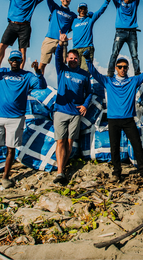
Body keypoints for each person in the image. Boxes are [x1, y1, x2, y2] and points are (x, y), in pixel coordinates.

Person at [0, 49, 46, 188]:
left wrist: (38, 71)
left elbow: (41, 85)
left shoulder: (27, 76)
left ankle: (6, 177)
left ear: (21, 62)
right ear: (9, 61)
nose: (15, 62)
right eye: (13, 59)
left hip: (16, 118)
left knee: (11, 148)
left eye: (18, 60)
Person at [84, 49, 143, 182]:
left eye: (125, 67)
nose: (122, 69)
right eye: (120, 67)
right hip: (113, 120)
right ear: (116, 68)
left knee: (137, 145)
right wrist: (88, 60)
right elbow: (94, 73)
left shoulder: (133, 81)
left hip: (128, 119)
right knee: (114, 147)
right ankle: (116, 173)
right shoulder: (108, 81)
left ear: (128, 69)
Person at [52, 32, 92, 184]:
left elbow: (89, 92)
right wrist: (60, 44)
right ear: (67, 60)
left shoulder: (84, 75)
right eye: (71, 58)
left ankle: (63, 166)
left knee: (69, 142)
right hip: (61, 111)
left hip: (75, 113)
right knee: (60, 141)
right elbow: (57, 58)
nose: (73, 60)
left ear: (79, 60)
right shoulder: (62, 70)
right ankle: (60, 172)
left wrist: (85, 105)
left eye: (76, 58)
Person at [100, 0, 143, 76]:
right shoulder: (118, 2)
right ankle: (110, 74)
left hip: (132, 32)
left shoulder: (134, 3)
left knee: (134, 55)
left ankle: (137, 75)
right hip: (120, 32)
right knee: (114, 53)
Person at [39, 0, 77, 72]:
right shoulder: (55, 8)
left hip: (62, 41)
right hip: (50, 38)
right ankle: (39, 84)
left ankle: (63, 87)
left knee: (63, 65)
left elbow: (77, 25)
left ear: (70, 0)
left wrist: (88, 15)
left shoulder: (73, 15)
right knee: (42, 64)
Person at [71, 0, 110, 71]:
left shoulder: (89, 19)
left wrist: (107, 0)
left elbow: (100, 11)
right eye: (81, 9)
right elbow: (64, 25)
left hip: (87, 47)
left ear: (86, 10)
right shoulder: (74, 21)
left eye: (84, 9)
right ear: (78, 10)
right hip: (75, 48)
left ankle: (86, 82)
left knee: (85, 71)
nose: (82, 10)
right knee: (74, 71)